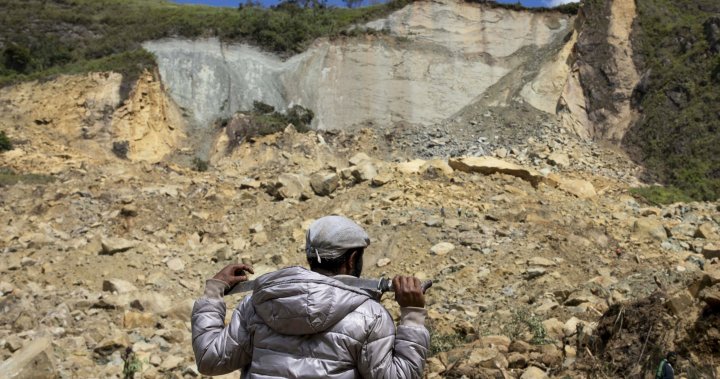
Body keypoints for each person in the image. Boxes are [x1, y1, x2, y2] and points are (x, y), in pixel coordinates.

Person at [191, 215, 430, 378]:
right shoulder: (371, 316)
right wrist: (412, 315)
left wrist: (214, 292)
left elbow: (209, 360)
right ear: (352, 258)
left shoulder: (257, 304)